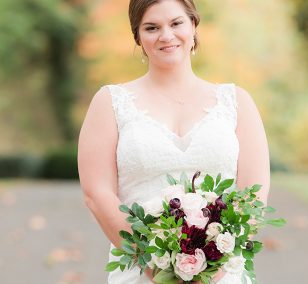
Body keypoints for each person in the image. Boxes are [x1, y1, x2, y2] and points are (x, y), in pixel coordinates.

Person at [77, 0, 270, 283]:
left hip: (221, 274)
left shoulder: (237, 102)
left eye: (176, 23)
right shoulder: (110, 103)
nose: (166, 35)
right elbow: (97, 194)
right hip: (141, 269)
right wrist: (157, 267)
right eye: (152, 27)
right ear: (138, 37)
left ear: (193, 25)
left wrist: (214, 267)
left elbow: (254, 194)